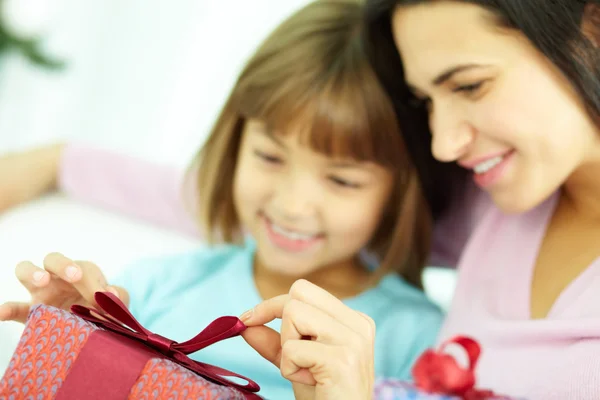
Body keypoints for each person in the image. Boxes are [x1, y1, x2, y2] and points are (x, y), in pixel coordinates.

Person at [0, 1, 443, 399]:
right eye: (269, 156)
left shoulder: (420, 340)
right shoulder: (156, 288)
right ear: (234, 147)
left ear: (401, 191)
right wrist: (74, 348)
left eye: (343, 181)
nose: (293, 206)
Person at [362, 0, 600, 399]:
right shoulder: (488, 201)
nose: (444, 144)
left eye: (470, 86)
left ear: (592, 28)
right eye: (426, 102)